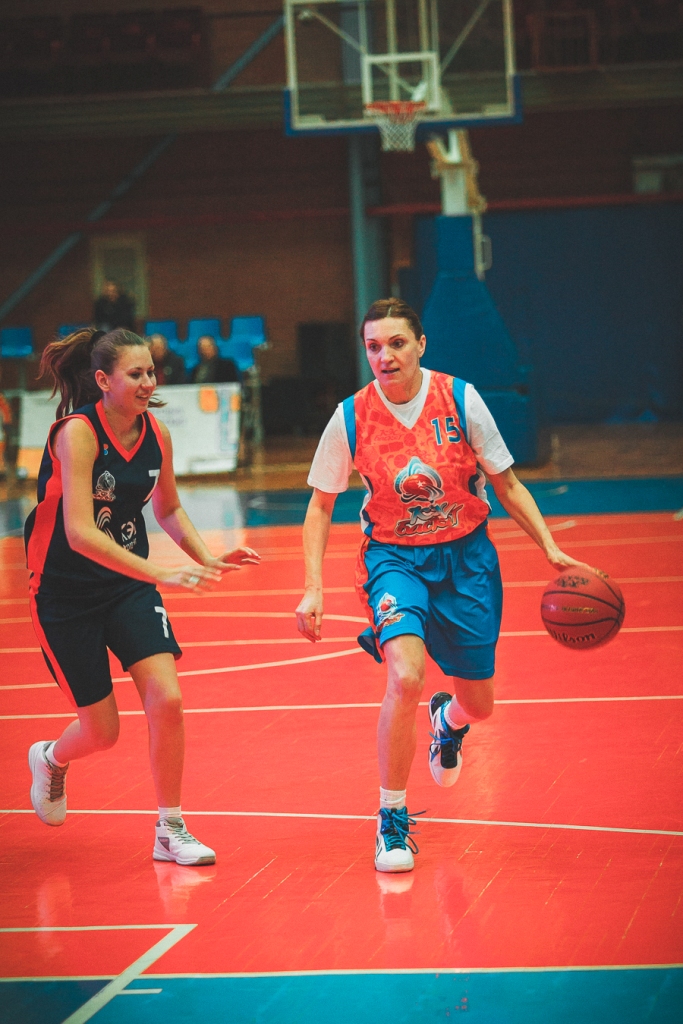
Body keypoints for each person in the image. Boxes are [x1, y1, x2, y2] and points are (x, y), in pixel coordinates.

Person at [296, 299, 589, 874]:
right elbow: (320, 506)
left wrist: (549, 546)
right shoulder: (350, 416)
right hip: (393, 560)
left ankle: (447, 722)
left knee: (479, 703)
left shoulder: (460, 399)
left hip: (466, 559)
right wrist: (313, 587)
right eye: (374, 346)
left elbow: (506, 483)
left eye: (396, 343)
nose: (385, 356)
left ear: (421, 344)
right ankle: (392, 818)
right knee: (405, 676)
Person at [25, 327, 260, 865]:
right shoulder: (78, 433)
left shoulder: (156, 432)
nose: (148, 382)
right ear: (103, 380)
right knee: (102, 731)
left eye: (151, 371)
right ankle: (52, 759)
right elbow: (80, 533)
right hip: (63, 593)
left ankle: (169, 828)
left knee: (168, 700)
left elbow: (168, 508)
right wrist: (162, 571)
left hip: (125, 583)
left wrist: (206, 557)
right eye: (136, 374)